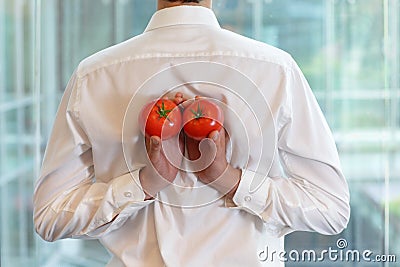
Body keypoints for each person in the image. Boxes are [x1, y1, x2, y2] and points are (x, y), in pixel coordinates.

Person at [33, 0, 351, 266]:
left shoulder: (94, 75)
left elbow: (50, 216)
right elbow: (330, 210)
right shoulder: (275, 69)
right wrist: (231, 181)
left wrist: (142, 185)